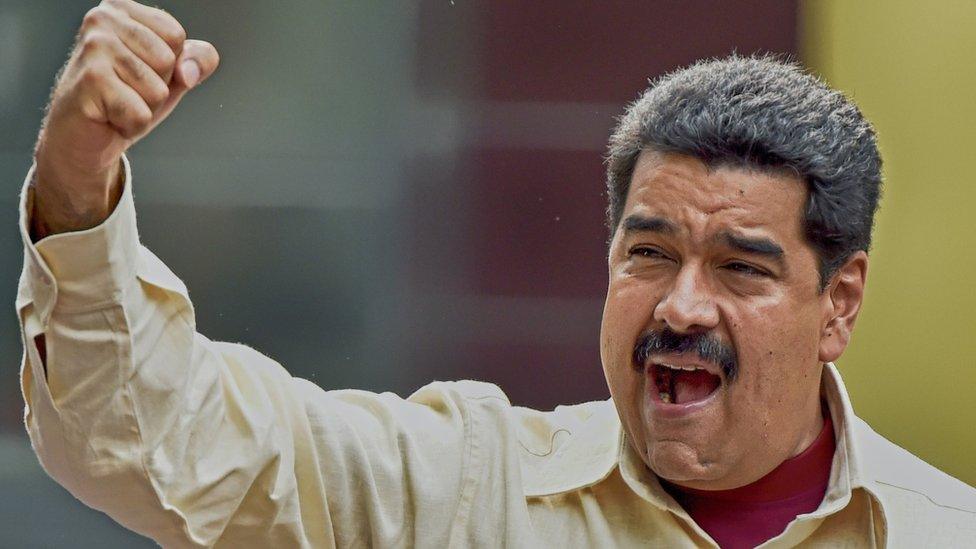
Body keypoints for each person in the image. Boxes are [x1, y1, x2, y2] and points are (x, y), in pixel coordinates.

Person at [16, 0, 975, 547]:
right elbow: (141, 437)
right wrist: (75, 179)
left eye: (740, 267)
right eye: (649, 253)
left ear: (837, 303)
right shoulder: (469, 489)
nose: (682, 305)